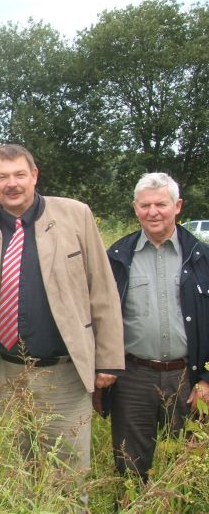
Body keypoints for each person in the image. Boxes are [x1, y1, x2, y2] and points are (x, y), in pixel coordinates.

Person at [0, 144, 124, 514]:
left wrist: (109, 359)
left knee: (66, 481)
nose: (11, 184)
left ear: (35, 175)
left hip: (64, 376)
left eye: (19, 175)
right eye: (2, 177)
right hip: (3, 375)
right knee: (11, 478)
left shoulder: (75, 216)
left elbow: (103, 289)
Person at [106, 172, 209, 482]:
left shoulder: (202, 258)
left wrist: (206, 378)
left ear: (177, 206)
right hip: (133, 377)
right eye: (145, 205)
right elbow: (101, 317)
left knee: (190, 462)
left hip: (188, 378)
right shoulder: (117, 258)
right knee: (130, 464)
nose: (153, 212)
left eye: (161, 204)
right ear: (135, 208)